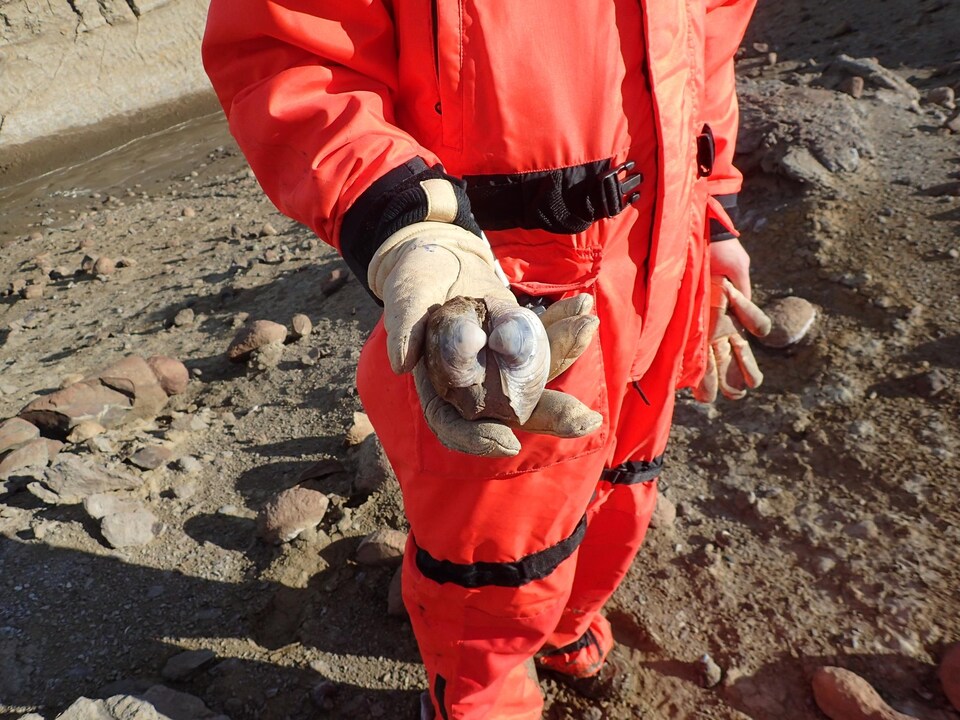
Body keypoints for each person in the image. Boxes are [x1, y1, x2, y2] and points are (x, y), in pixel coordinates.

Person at [202, 1, 770, 717]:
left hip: (662, 272)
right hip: (489, 293)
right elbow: (291, 51)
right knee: (492, 554)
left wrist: (712, 207)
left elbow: (707, 44)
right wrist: (406, 224)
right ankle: (482, 697)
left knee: (625, 482)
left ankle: (567, 625)